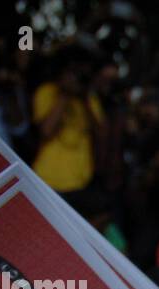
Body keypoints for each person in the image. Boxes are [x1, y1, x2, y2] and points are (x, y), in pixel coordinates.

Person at [31, 46, 105, 200]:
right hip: (47, 176)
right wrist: (65, 95)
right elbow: (46, 132)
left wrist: (85, 100)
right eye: (73, 72)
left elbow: (101, 135)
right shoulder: (47, 92)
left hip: (80, 180)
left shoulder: (89, 100)